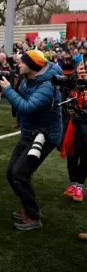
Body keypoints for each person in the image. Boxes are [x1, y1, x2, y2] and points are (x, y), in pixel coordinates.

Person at [1, 50, 63, 230]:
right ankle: (29, 208)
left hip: (45, 136)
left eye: (22, 62)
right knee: (11, 172)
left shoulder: (47, 85)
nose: (18, 64)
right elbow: (22, 106)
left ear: (33, 66)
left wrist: (8, 90)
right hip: (30, 133)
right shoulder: (29, 79)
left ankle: (34, 217)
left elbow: (27, 106)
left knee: (20, 174)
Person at [61, 64, 87, 202]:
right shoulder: (70, 84)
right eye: (81, 69)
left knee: (84, 157)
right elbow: (64, 103)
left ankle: (79, 185)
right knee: (71, 155)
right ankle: (72, 183)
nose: (83, 72)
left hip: (85, 128)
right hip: (71, 126)